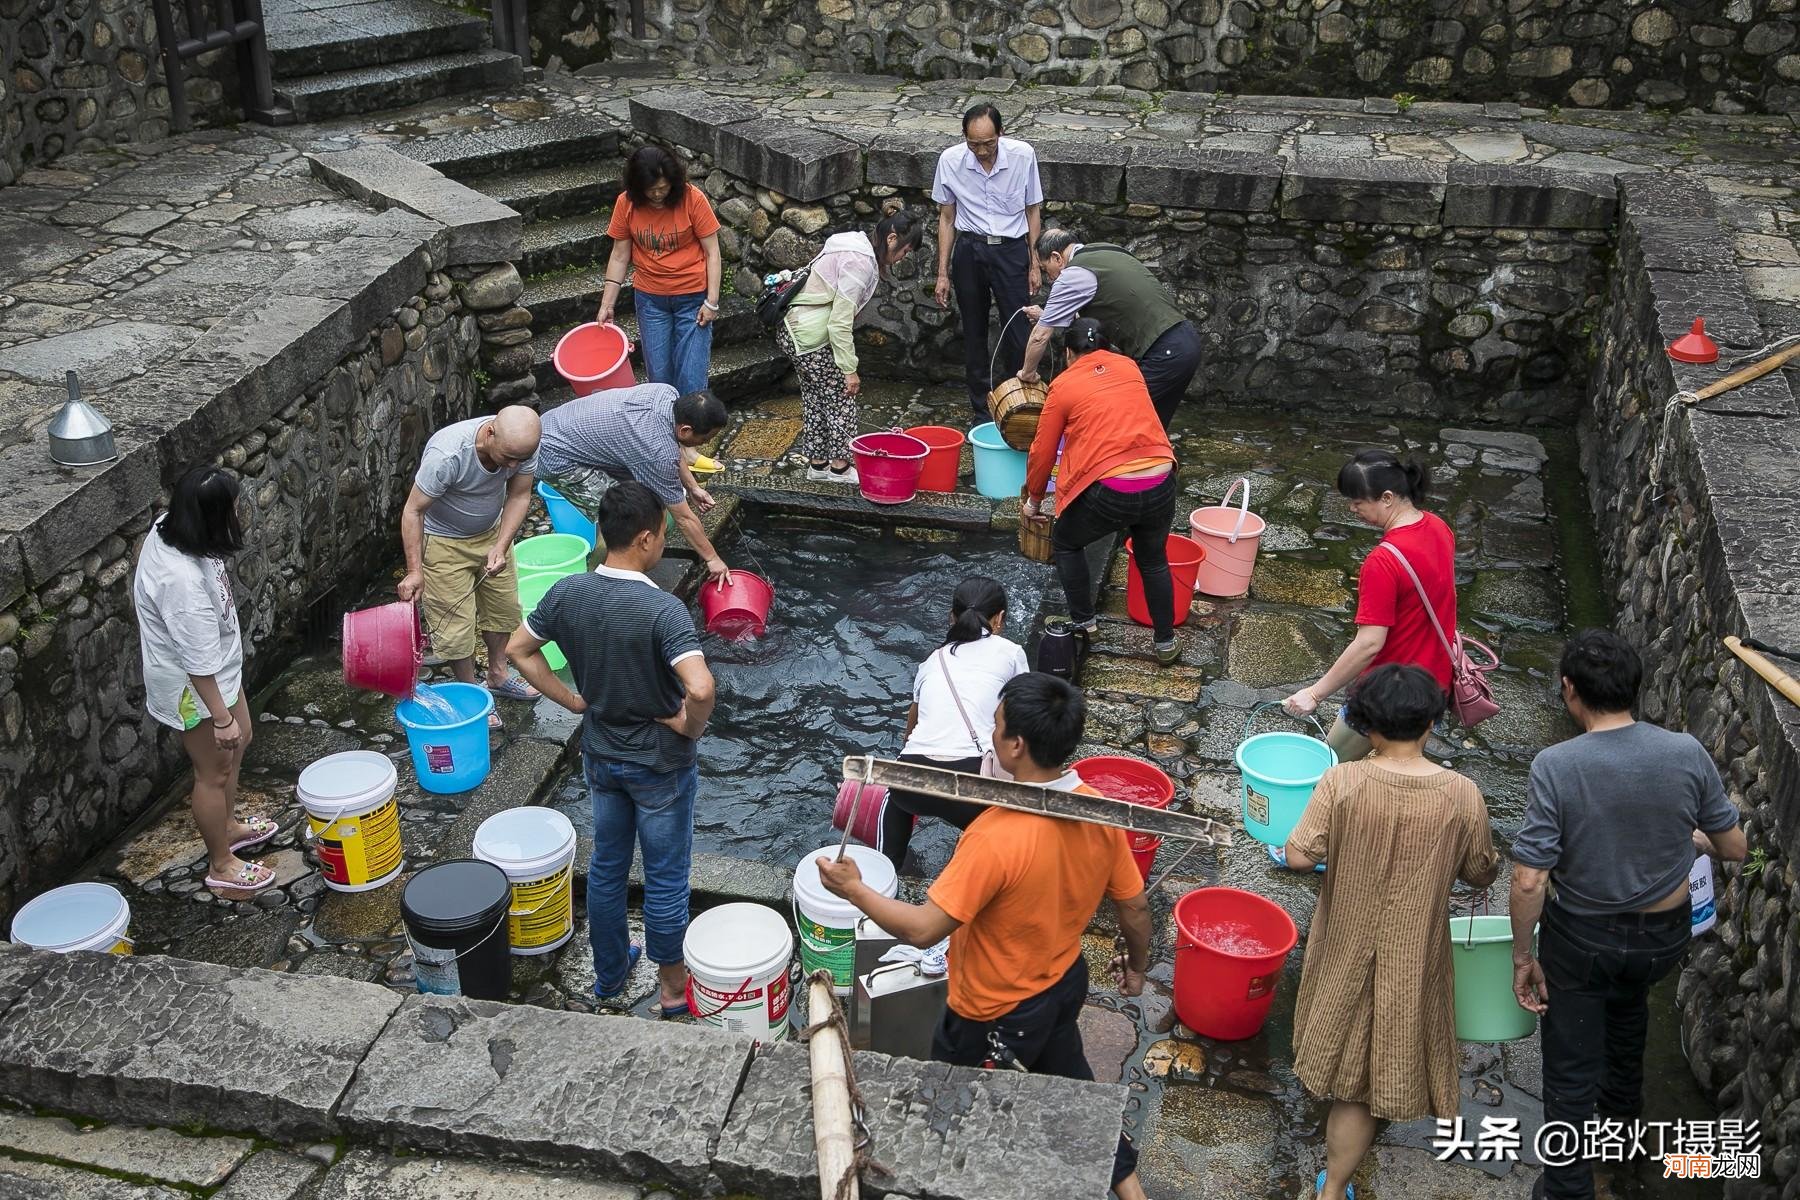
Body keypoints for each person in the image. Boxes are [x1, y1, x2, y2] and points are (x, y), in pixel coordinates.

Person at [817, 672, 1153, 1200]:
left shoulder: (994, 837)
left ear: (1016, 745)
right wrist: (1138, 965)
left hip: (993, 1010)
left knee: (948, 1101)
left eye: (995, 727)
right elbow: (1133, 904)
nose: (990, 737)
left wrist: (853, 888)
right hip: (1063, 984)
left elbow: (925, 929)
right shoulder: (1099, 810)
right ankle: (1131, 1191)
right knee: (1073, 1087)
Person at [1508, 630, 1744, 1200]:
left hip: (1582, 939)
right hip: (1662, 941)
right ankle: (1621, 1140)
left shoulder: (1557, 765)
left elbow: (1529, 877)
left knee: (1570, 1063)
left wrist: (1522, 955)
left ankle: (1566, 1189)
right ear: (1634, 688)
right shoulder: (1685, 751)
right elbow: (1733, 846)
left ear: (1570, 691)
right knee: (1629, 1016)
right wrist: (1690, 839)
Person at [1283, 664, 1499, 1200]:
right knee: (1387, 1051)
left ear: (1367, 726)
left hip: (1344, 944)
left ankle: (1330, 1188)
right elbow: (1480, 870)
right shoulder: (1461, 793)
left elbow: (1296, 854)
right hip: (1414, 952)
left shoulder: (1343, 781)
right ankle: (1336, 1184)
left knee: (1349, 1067)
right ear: (1431, 724)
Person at [507, 481, 717, 1017]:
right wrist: (688, 727)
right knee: (666, 879)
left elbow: (518, 651)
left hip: (601, 756)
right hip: (660, 767)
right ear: (647, 539)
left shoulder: (567, 593)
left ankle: (609, 976)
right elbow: (701, 688)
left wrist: (574, 701)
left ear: (602, 533)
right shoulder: (662, 610)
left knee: (606, 868)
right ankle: (672, 992)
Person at [132, 466, 281, 894]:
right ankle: (221, 864)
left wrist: (232, 721)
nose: (239, 511)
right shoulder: (181, 585)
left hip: (216, 671)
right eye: (232, 507)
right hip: (194, 689)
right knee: (213, 768)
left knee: (243, 738)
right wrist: (220, 718)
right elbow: (196, 663)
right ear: (211, 518)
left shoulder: (172, 524)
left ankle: (229, 825)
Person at [1023, 319, 1181, 666]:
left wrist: (1033, 500)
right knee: (1152, 558)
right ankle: (1166, 642)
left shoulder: (1063, 385)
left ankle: (1084, 623)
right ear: (1108, 348)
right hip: (1161, 477)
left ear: (1067, 353)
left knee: (1066, 541)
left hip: (1112, 488)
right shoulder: (1130, 367)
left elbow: (1042, 450)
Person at [1282, 450, 1456, 763]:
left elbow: (1369, 644)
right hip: (1432, 688)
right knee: (1399, 770)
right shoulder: (1439, 528)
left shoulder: (1383, 561)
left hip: (1388, 693)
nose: (1352, 508)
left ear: (1387, 498)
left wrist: (1314, 694)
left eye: (1358, 501)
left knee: (1328, 767)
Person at [398, 406, 542, 730]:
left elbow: (519, 495)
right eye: (508, 458)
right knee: (455, 625)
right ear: (490, 432)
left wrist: (501, 545)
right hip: (444, 541)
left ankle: (498, 673)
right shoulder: (447, 454)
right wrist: (414, 570)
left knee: (504, 607)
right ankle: (470, 691)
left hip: (492, 532)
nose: (513, 466)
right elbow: (413, 511)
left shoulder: (523, 444)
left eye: (521, 459)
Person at [880, 575, 1030, 872]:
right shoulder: (1011, 653)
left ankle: (884, 874)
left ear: (952, 617)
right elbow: (1023, 717)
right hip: (971, 783)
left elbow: (912, 723)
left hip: (912, 777)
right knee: (996, 844)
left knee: (894, 795)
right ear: (999, 619)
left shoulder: (933, 660)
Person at [776, 209, 925, 485]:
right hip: (812, 335)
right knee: (842, 399)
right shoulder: (860, 262)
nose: (903, 257)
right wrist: (849, 369)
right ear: (891, 238)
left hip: (793, 330)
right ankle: (840, 469)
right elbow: (839, 324)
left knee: (816, 399)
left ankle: (818, 465)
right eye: (905, 250)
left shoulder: (851, 243)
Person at [537, 383, 733, 583]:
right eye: (704, 439)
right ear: (685, 430)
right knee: (621, 516)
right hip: (554, 454)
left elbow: (672, 446)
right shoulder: (657, 452)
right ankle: (596, 581)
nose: (706, 444)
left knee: (639, 504)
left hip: (559, 425)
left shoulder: (666, 393)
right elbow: (684, 518)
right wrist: (712, 559)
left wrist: (693, 487)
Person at [1019, 230, 1202, 428]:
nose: (1050, 278)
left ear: (1056, 257)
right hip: (1185, 340)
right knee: (1153, 426)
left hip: (1164, 353)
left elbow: (1039, 336)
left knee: (1115, 420)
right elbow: (1102, 309)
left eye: (1046, 270)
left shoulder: (1072, 274)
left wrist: (1028, 374)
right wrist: (1046, 315)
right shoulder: (1108, 250)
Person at [931, 103, 1044, 416]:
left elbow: (1032, 210)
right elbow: (946, 216)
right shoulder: (951, 160)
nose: (982, 151)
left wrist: (1034, 262)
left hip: (1010, 250)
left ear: (1002, 134)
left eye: (988, 143)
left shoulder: (1023, 155)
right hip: (970, 249)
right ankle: (981, 411)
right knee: (974, 332)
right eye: (974, 144)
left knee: (1018, 329)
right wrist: (943, 272)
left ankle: (1018, 406)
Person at [596, 145, 722, 397]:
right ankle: (664, 433)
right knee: (659, 379)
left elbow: (713, 253)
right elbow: (620, 255)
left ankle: (690, 432)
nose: (657, 195)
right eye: (651, 189)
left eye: (663, 188)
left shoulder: (693, 199)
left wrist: (712, 302)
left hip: (693, 299)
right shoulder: (626, 204)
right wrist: (607, 303)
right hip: (651, 300)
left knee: (692, 379)